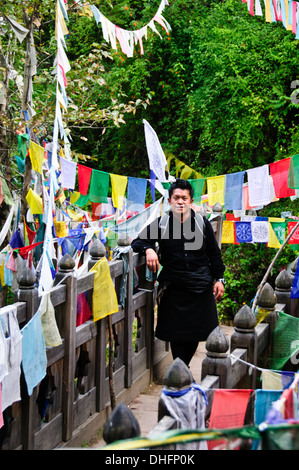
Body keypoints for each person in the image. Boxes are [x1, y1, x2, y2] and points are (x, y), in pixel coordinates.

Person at [131, 178, 225, 366]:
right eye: (176, 198)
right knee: (177, 333)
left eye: (184, 198)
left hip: (200, 285)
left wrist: (219, 279)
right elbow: (137, 242)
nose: (180, 201)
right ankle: (181, 368)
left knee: (194, 333)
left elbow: (214, 255)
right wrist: (148, 249)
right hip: (174, 287)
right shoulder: (162, 223)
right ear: (169, 200)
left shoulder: (202, 223)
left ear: (190, 201)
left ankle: (183, 367)